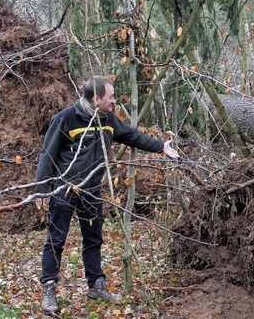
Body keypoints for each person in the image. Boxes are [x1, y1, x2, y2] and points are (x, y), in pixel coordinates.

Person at [35, 75, 179, 314]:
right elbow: (47, 155)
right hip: (64, 190)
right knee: (55, 241)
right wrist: (42, 190)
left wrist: (160, 147)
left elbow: (132, 136)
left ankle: (96, 286)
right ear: (95, 98)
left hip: (92, 191)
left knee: (93, 240)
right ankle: (49, 288)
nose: (114, 102)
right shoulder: (65, 119)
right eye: (110, 97)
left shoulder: (108, 119)